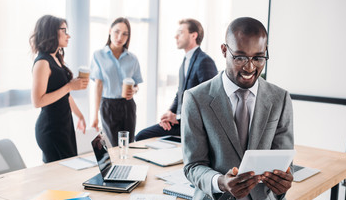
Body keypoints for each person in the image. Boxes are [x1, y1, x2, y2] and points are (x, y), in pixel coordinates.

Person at [181, 17, 299, 200]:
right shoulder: (196, 99)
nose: (250, 67)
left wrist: (284, 183)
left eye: (259, 58)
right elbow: (192, 166)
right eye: (241, 57)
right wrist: (220, 182)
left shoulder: (280, 99)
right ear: (224, 50)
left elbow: (285, 161)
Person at [135, 18, 217, 141]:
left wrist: (178, 118)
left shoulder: (204, 61)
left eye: (180, 32)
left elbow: (210, 100)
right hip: (181, 122)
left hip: (194, 125)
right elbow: (180, 94)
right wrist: (168, 114)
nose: (175, 36)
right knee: (141, 136)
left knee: (142, 136)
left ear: (193, 35)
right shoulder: (185, 61)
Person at [30, 15, 89, 163]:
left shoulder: (56, 58)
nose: (68, 36)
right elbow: (38, 101)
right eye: (64, 31)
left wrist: (79, 115)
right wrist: (70, 85)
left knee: (69, 169)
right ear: (51, 32)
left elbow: (65, 95)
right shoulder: (42, 62)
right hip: (51, 128)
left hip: (63, 125)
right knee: (61, 175)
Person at [90, 17, 143, 147]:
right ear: (109, 31)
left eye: (125, 34)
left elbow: (136, 85)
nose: (120, 37)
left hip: (128, 105)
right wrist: (95, 115)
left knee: (129, 145)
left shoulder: (132, 58)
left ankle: (128, 167)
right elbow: (98, 86)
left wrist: (133, 91)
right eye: (116, 32)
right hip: (108, 105)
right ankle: (117, 167)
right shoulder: (98, 55)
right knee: (114, 145)